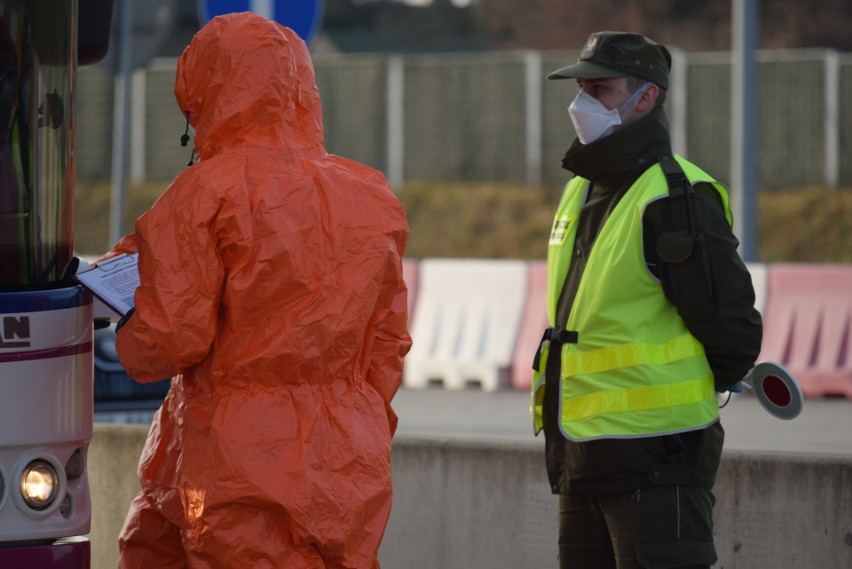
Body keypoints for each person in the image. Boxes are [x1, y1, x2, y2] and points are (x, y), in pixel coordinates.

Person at [98, 12, 411, 568]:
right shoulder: (372, 194)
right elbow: (387, 343)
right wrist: (346, 417)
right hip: (346, 452)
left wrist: (125, 315)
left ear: (205, 92)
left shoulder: (206, 192)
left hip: (233, 451)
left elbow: (166, 342)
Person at [530, 32, 763, 569]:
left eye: (600, 89)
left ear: (646, 98)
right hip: (583, 456)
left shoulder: (677, 196)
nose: (582, 102)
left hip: (658, 459)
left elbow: (731, 327)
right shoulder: (582, 187)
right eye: (581, 88)